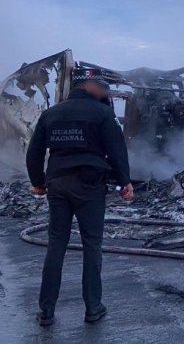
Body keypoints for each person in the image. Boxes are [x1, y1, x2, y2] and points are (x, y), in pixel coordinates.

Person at [26, 67, 134, 326]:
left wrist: (38, 183)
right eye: (103, 87)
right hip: (89, 187)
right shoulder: (103, 114)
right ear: (90, 87)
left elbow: (35, 152)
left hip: (58, 185)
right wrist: (124, 183)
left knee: (56, 244)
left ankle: (46, 311)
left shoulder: (51, 114)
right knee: (92, 245)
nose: (106, 92)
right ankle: (93, 308)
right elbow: (117, 150)